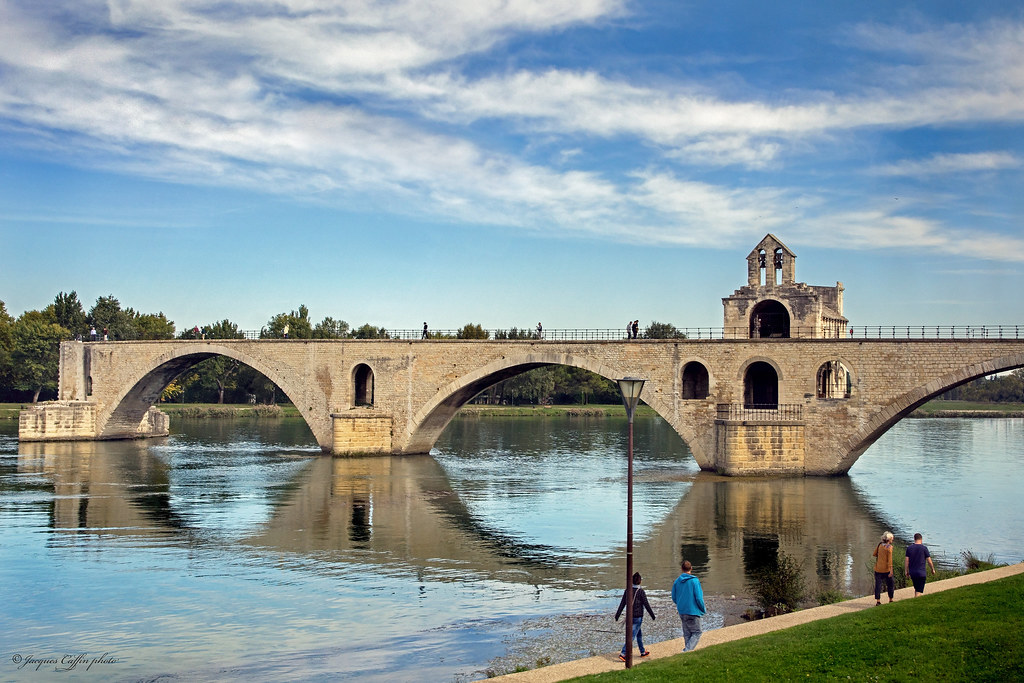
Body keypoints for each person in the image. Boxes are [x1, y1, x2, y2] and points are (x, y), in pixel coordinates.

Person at [615, 571, 655, 661]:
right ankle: (623, 653)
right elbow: (646, 604)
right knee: (632, 635)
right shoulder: (641, 592)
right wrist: (652, 615)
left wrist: (617, 615)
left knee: (638, 634)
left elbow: (622, 604)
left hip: (629, 616)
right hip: (638, 616)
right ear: (640, 581)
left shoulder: (627, 590)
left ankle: (642, 651)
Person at [671, 559, 705, 652]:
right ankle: (687, 651)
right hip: (693, 610)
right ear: (691, 568)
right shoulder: (694, 581)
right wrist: (702, 608)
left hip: (682, 610)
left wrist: (680, 604)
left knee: (687, 634)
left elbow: (674, 597)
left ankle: (687, 653)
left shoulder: (677, 581)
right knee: (697, 632)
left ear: (682, 569)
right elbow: (698, 597)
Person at [904, 532, 936, 597]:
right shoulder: (924, 548)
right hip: (921, 572)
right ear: (921, 539)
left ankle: (916, 600)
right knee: (919, 590)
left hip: (912, 572)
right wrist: (932, 569)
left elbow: (907, 561)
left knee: (917, 589)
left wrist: (906, 571)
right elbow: (929, 561)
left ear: (914, 539)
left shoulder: (909, 548)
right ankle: (916, 603)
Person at [873, 531, 896, 605]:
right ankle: (891, 599)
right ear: (889, 539)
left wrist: (881, 557)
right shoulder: (889, 548)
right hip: (886, 569)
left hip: (878, 568)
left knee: (878, 585)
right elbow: (890, 560)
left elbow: (874, 554)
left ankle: (878, 601)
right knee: (890, 584)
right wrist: (891, 571)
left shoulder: (879, 545)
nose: (892, 540)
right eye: (892, 539)